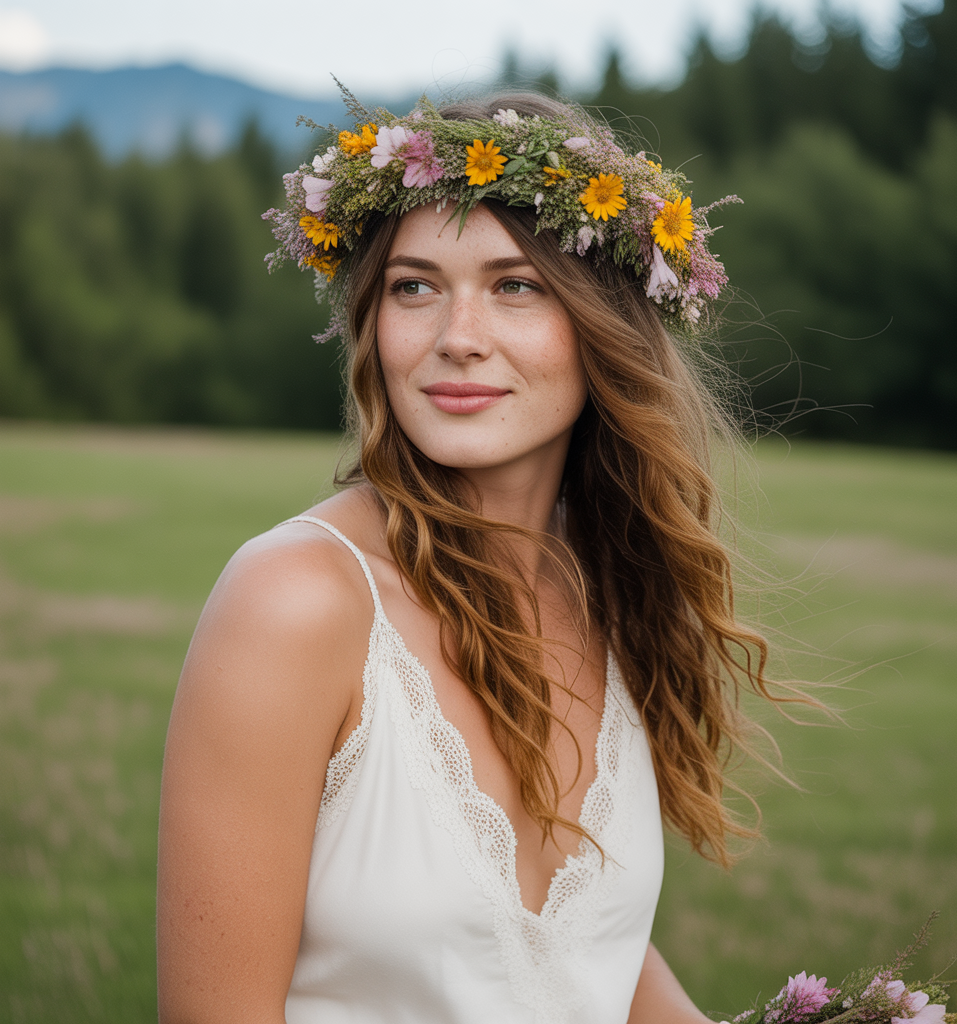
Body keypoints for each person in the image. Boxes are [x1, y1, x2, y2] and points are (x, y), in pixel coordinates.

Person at [156, 90, 778, 1024]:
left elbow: (575, 947)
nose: (456, 338)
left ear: (606, 326)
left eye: (515, 285)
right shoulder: (295, 604)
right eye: (414, 286)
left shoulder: (603, 590)